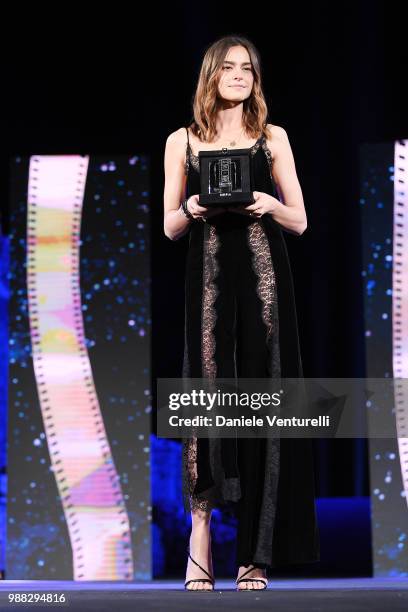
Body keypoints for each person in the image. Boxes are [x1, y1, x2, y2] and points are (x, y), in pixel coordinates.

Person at [163, 34, 320, 591]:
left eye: (247, 68)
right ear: (211, 76)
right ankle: (199, 540)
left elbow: (301, 221)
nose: (239, 75)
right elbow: (169, 225)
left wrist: (271, 204)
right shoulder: (182, 140)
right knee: (207, 405)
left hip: (263, 282)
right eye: (228, 67)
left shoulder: (272, 138)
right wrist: (193, 204)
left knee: (263, 401)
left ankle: (256, 552)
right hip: (206, 284)